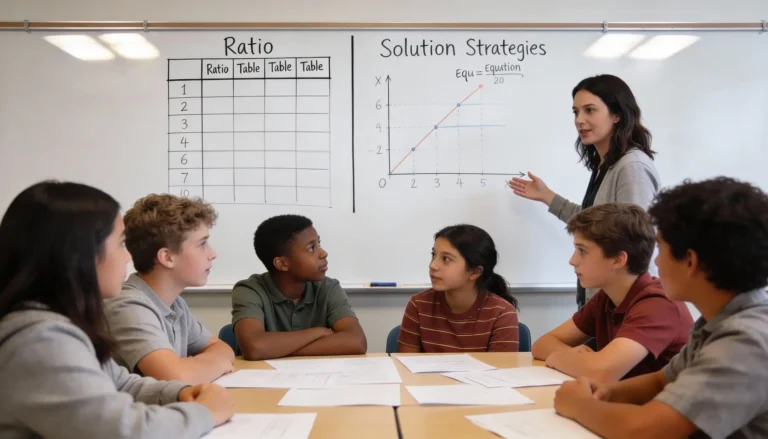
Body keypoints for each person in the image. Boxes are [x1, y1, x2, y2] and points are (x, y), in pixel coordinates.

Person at [0, 181, 233, 438]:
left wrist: (178, 393)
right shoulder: (41, 340)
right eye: (121, 244)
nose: (127, 257)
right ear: (81, 253)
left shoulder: (62, 322)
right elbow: (122, 432)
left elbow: (119, 382)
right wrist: (206, 413)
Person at [554, 177, 768, 438]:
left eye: (662, 249)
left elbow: (645, 430)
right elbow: (662, 380)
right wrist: (607, 391)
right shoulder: (719, 321)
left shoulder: (747, 339)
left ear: (689, 261)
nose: (655, 259)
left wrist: (580, 405)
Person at [509, 74, 660, 307]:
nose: (580, 120)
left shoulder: (631, 167)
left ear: (617, 114)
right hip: (601, 301)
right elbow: (597, 224)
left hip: (623, 304)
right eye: (576, 112)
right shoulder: (606, 164)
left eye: (590, 110)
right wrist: (547, 196)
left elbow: (638, 242)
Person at [532, 204, 692, 381]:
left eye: (582, 250)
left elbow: (601, 372)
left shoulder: (659, 303)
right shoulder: (607, 296)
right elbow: (541, 344)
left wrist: (558, 357)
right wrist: (572, 355)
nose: (572, 260)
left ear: (618, 260)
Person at [104, 194, 234, 384]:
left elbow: (221, 348)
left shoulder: (175, 304)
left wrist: (194, 366)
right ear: (167, 257)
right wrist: (217, 365)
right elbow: (175, 377)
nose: (212, 254)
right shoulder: (127, 306)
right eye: (202, 244)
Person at [232, 214, 366, 360]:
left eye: (319, 244)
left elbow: (356, 342)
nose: (323, 253)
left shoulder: (328, 288)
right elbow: (255, 347)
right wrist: (318, 332)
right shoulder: (249, 290)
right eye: (311, 248)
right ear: (282, 264)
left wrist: (275, 349)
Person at [398, 224, 519, 353]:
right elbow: (405, 366)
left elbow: (499, 370)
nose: (433, 265)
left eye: (446, 259)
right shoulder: (419, 304)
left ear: (475, 272)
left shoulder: (502, 313)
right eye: (434, 255)